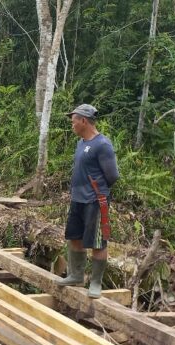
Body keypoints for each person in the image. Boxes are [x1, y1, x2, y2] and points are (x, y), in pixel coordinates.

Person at [55, 104, 119, 298]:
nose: (72, 125)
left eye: (74, 121)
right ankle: (76, 275)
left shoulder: (103, 144)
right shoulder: (81, 142)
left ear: (84, 121)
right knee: (74, 237)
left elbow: (113, 175)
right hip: (78, 199)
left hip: (95, 200)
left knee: (98, 241)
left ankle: (96, 283)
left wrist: (96, 189)